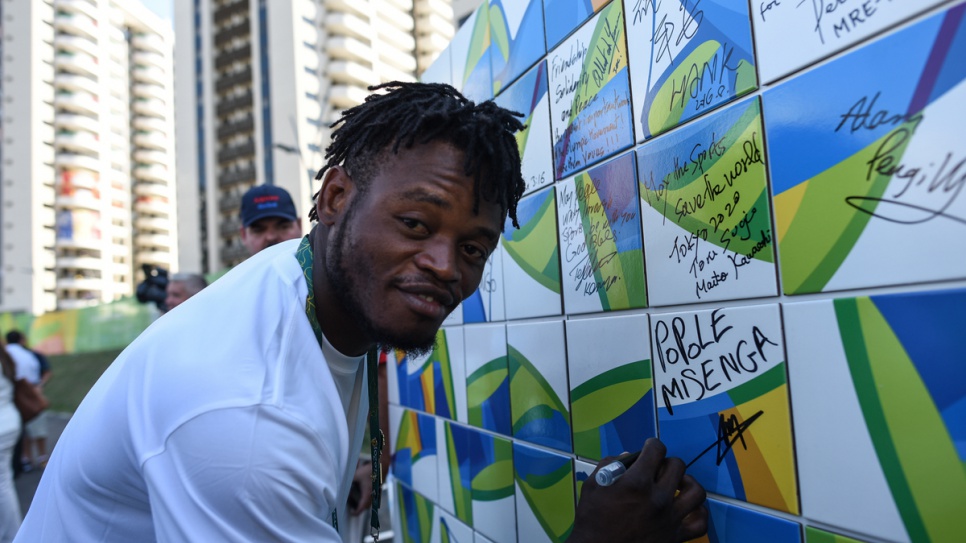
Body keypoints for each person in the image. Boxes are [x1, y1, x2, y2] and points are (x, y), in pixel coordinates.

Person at [15, 82, 707, 542]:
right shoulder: (246, 421)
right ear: (335, 198)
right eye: (414, 222)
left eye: (473, 245)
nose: (445, 264)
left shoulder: (314, 286)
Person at [4, 332, 50, 472]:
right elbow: (41, 371)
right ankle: (42, 457)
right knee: (37, 427)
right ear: (22, 340)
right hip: (30, 392)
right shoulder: (28, 354)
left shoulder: (5, 355)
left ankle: (26, 459)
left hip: (12, 395)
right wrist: (38, 387)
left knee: (23, 430)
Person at [239, 184, 303, 256]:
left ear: (299, 225)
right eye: (258, 230)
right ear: (243, 235)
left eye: (283, 227)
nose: (271, 237)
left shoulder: (317, 265)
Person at [0, 342, 22, 541]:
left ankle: (11, 535)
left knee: (2, 485)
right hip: (8, 421)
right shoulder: (4, 354)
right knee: (4, 482)